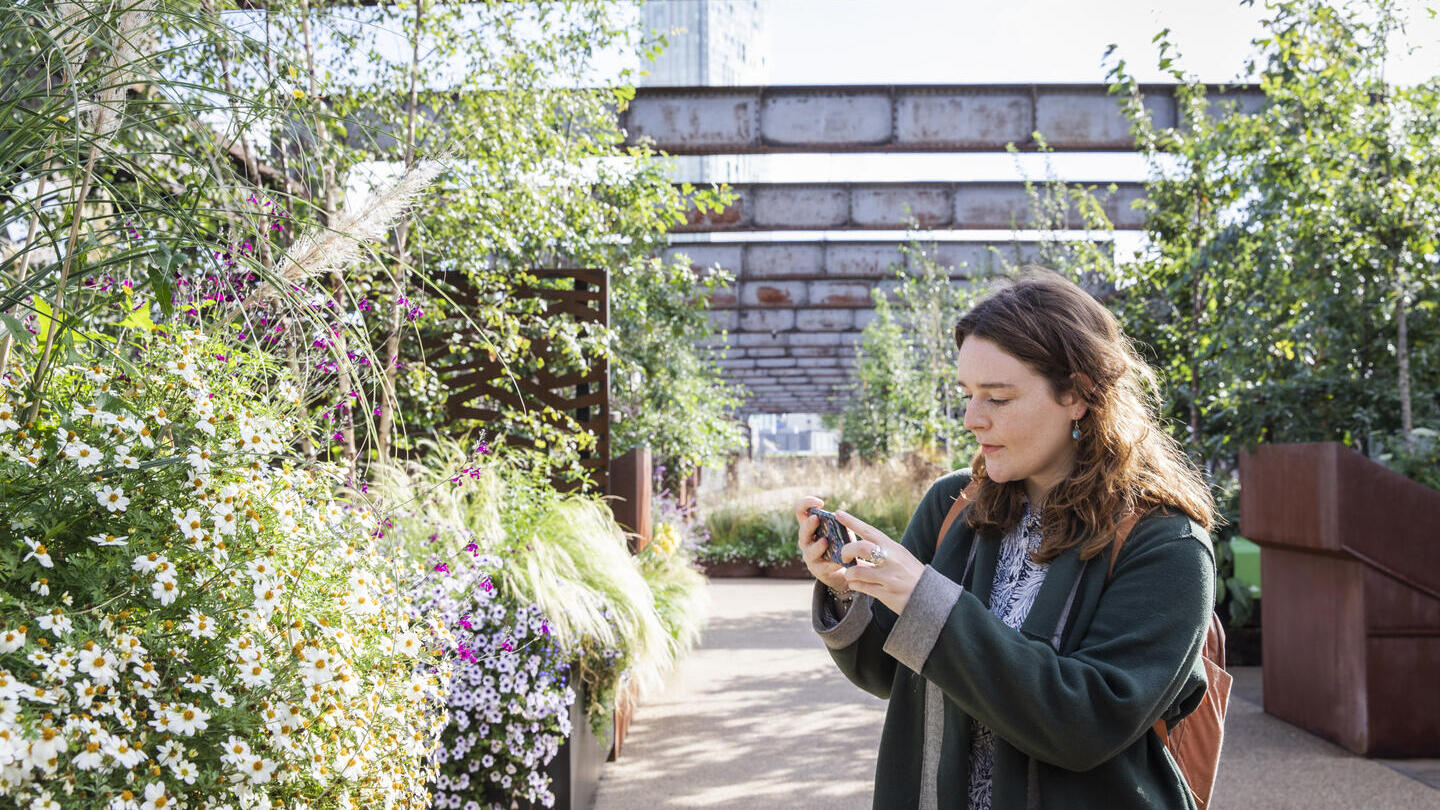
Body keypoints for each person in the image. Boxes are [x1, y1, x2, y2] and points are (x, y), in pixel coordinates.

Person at [795, 268, 1219, 809]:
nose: (972, 418)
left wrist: (923, 598)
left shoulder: (1166, 543)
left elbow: (1086, 723)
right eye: (968, 394)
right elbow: (887, 674)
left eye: (996, 398)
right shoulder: (954, 507)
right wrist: (847, 588)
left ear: (1080, 393)